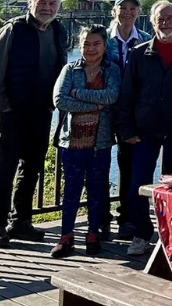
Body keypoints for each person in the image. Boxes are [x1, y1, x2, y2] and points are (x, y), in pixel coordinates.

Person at [0, 0, 68, 247]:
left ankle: (20, 221)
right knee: (5, 170)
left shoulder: (58, 31)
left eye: (53, 4)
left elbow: (62, 69)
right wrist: (3, 106)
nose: (47, 8)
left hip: (41, 112)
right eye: (42, 2)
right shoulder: (13, 29)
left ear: (58, 7)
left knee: (31, 169)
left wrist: (55, 104)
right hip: (12, 113)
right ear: (31, 4)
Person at [118, 0, 172, 258]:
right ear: (152, 22)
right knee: (137, 185)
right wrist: (126, 129)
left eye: (169, 18)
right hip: (145, 128)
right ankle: (142, 233)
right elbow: (127, 94)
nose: (164, 23)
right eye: (159, 19)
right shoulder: (139, 54)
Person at [50, 25, 121, 259]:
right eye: (86, 44)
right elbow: (60, 100)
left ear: (104, 45)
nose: (91, 48)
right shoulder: (69, 69)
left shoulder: (112, 70)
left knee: (96, 189)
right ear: (79, 46)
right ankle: (66, 236)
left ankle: (92, 233)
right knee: (70, 190)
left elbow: (111, 96)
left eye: (96, 44)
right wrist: (95, 105)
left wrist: (78, 94)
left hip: (100, 141)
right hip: (71, 141)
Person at [107, 0, 146, 238]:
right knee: (98, 165)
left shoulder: (145, 40)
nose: (127, 12)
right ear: (115, 11)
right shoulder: (103, 39)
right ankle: (98, 218)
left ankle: (128, 217)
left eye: (132, 8)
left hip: (133, 113)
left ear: (139, 12)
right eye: (123, 8)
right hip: (105, 110)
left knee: (130, 164)